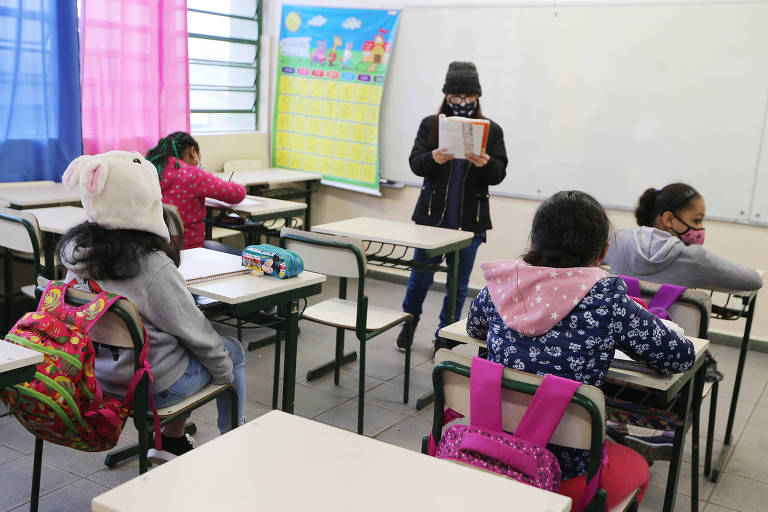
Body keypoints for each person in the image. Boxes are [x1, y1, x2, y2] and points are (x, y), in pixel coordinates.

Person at [466, 190, 696, 509]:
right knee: (638, 468)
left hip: (490, 452)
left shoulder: (501, 286)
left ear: (533, 243)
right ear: (602, 252)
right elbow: (679, 356)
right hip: (570, 476)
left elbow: (474, 328)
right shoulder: (607, 300)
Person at [59, 150, 247, 462]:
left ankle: (172, 441)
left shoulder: (78, 254)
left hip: (99, 378)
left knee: (172, 344)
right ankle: (235, 441)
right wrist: (224, 374)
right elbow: (196, 331)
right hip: (151, 387)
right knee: (229, 350)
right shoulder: (151, 265)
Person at [395, 61, 508, 353]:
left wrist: (484, 164)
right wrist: (434, 157)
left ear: (477, 97)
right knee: (419, 279)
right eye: (456, 98)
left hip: (470, 223)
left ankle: (444, 336)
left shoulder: (491, 130)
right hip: (432, 220)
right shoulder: (430, 125)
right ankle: (409, 324)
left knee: (457, 288)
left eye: (469, 98)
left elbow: (499, 173)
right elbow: (415, 163)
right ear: (446, 96)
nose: (463, 103)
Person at [604, 183, 762, 291]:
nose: (700, 228)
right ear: (668, 219)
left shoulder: (617, 241)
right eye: (696, 220)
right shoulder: (694, 258)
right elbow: (754, 280)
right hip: (672, 337)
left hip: (617, 334)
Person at [146, 132, 246, 250]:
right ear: (192, 152)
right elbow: (237, 194)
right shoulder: (192, 175)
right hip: (189, 251)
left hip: (155, 250)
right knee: (240, 256)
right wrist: (232, 183)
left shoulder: (149, 170)